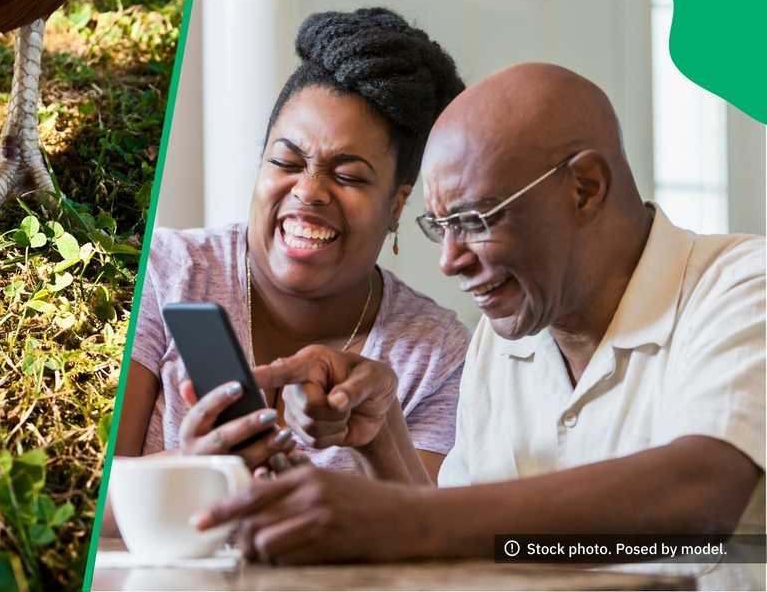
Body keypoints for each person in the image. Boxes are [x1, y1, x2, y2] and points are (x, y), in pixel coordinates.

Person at [193, 63, 764, 590]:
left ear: (585, 188)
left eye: (474, 220)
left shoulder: (742, 285)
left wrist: (389, 519)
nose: (449, 260)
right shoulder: (506, 339)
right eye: (438, 226)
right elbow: (479, 553)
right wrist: (383, 439)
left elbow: (701, 495)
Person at [113, 7, 468, 487]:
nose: (309, 191)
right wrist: (193, 474)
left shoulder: (436, 354)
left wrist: (378, 437)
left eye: (348, 176)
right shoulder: (166, 273)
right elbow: (99, 492)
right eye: (286, 161)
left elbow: (425, 535)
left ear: (396, 206)